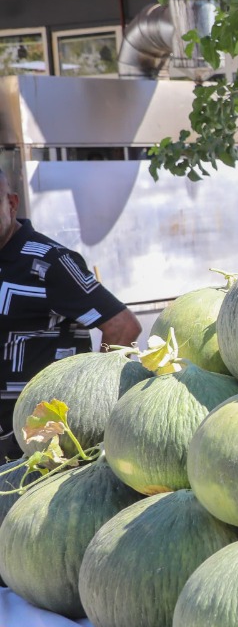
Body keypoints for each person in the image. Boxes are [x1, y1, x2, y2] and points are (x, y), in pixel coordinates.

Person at [0, 168, 140, 458]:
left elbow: (122, 326)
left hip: (41, 444)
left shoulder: (50, 262)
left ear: (11, 203)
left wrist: (95, 401)